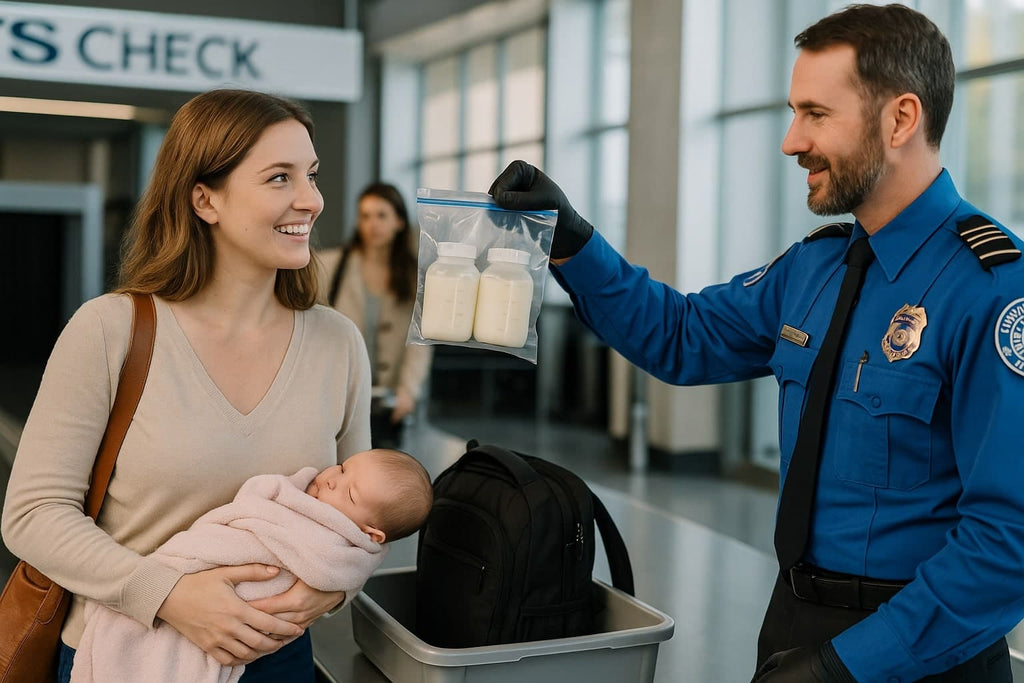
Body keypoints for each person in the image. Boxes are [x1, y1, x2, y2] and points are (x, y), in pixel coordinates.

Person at [489, 5, 1024, 682]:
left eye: (815, 114)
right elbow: (682, 336)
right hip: (793, 624)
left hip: (919, 650)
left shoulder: (992, 289)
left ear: (900, 119)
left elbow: (1008, 543)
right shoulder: (816, 267)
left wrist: (846, 666)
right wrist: (572, 240)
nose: (791, 140)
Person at [1, 88, 373, 683]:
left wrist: (327, 594)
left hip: (277, 661)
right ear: (205, 200)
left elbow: (359, 516)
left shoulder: (338, 343)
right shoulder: (110, 329)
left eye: (312, 174)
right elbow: (34, 514)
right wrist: (170, 595)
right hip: (124, 654)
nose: (312, 199)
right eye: (279, 178)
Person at [71, 449, 433, 683]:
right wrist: (161, 592)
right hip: (139, 597)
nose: (330, 478)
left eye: (348, 493)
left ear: (369, 534)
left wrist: (333, 587)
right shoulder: (109, 334)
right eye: (341, 466)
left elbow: (346, 565)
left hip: (271, 647)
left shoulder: (349, 545)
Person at [318, 183, 433, 448]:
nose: (372, 224)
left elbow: (420, 341)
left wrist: (408, 391)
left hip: (390, 403)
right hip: (339, 397)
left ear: (399, 222)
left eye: (381, 215)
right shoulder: (330, 266)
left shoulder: (414, 276)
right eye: (365, 216)